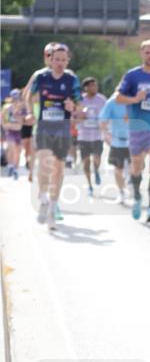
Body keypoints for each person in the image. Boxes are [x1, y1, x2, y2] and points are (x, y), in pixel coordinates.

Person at [114, 40, 150, 223]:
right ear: (141, 53)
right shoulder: (132, 76)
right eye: (147, 52)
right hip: (138, 127)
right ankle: (137, 197)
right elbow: (118, 98)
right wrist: (135, 99)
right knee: (137, 166)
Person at [29, 43, 82, 229]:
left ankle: (52, 207)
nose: (60, 63)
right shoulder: (41, 77)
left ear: (68, 60)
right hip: (44, 126)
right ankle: (42, 197)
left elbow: (79, 104)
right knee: (44, 162)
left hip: (63, 128)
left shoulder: (72, 79)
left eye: (63, 60)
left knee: (59, 170)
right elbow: (30, 96)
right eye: (56, 59)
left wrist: (72, 107)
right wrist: (30, 113)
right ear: (50, 60)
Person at [77, 77, 107, 197]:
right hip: (83, 136)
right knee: (85, 163)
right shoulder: (79, 100)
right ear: (86, 87)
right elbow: (74, 115)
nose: (95, 87)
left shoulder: (102, 100)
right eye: (92, 85)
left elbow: (107, 115)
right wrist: (80, 116)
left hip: (97, 136)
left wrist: (104, 123)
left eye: (96, 85)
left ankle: (96, 170)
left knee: (97, 159)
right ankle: (90, 185)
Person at [99, 94, 131, 204]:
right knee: (118, 169)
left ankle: (129, 182)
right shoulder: (111, 102)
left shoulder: (136, 100)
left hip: (134, 141)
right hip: (117, 141)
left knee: (136, 168)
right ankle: (121, 192)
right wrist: (105, 134)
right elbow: (103, 120)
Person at [2, 89, 30, 179]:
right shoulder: (7, 107)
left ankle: (15, 169)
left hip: (19, 131)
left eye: (17, 98)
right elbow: (2, 118)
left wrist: (20, 118)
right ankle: (10, 166)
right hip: (10, 131)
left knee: (18, 151)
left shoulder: (23, 108)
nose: (16, 100)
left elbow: (26, 119)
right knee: (12, 148)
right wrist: (5, 125)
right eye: (14, 98)